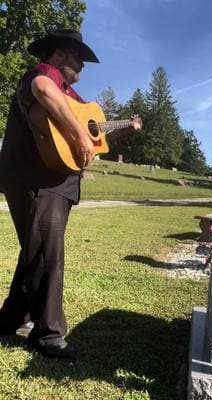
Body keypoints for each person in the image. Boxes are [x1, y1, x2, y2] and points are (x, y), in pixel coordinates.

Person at [0, 29, 140, 360]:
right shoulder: (43, 73)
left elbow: (93, 133)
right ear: (60, 55)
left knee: (35, 250)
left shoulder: (73, 96)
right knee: (49, 254)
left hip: (56, 180)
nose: (83, 67)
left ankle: (10, 318)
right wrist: (78, 133)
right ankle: (47, 334)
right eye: (79, 59)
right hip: (36, 178)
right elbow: (42, 90)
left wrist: (118, 129)